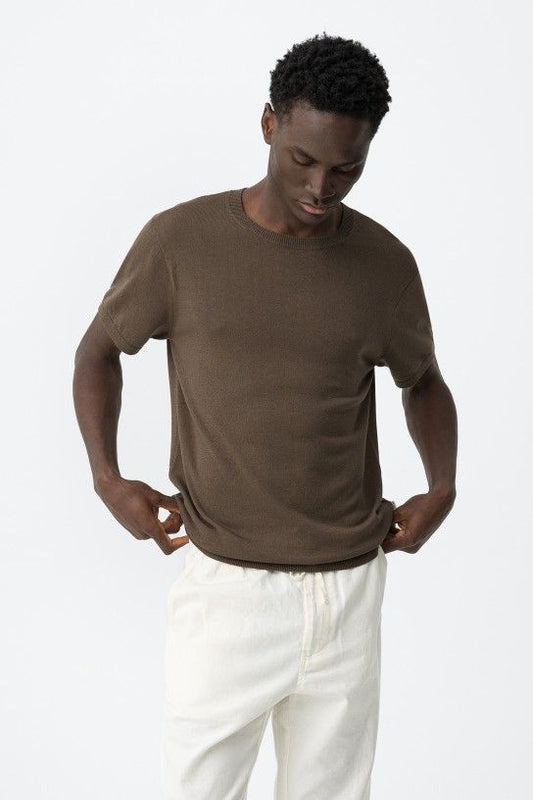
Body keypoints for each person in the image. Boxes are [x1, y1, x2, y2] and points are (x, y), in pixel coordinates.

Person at [73, 31, 457, 800]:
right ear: (268, 124)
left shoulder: (384, 265)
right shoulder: (181, 243)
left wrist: (441, 487)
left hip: (348, 591)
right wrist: (107, 478)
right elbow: (99, 352)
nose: (321, 186)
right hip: (226, 590)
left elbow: (422, 381)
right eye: (303, 159)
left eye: (345, 167)